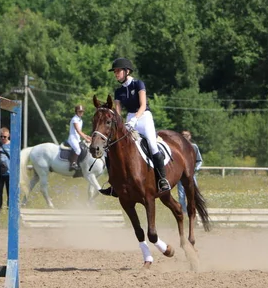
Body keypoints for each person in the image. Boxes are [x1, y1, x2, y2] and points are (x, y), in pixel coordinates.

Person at [99, 57, 170, 196]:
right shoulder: (118, 91)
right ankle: (113, 183)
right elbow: (118, 111)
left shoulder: (138, 84)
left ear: (127, 71)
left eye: (118, 71)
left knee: (152, 144)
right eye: (115, 72)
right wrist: (120, 122)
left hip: (144, 117)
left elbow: (143, 105)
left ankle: (162, 179)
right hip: (130, 118)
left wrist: (135, 119)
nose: (116, 74)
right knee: (111, 148)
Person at [177, 130, 202, 213]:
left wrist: (195, 169)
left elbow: (199, 160)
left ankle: (195, 212)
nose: (185, 137)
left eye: (186, 135)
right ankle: (184, 213)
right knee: (181, 196)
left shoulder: (194, 147)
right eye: (183, 135)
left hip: (191, 175)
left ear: (190, 136)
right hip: (180, 176)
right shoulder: (178, 147)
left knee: (193, 194)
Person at [68, 105, 91, 171]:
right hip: (72, 138)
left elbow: (80, 132)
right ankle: (73, 163)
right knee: (78, 150)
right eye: (79, 111)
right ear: (76, 112)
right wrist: (85, 138)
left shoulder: (80, 120)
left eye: (82, 111)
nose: (81, 113)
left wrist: (88, 137)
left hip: (77, 138)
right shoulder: (74, 119)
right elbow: (78, 131)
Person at [0, 127, 10, 210]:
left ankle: (9, 208)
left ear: (8, 136)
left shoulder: (12, 145)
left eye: (4, 137)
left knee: (10, 192)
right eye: (1, 136)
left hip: (9, 172)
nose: (3, 138)